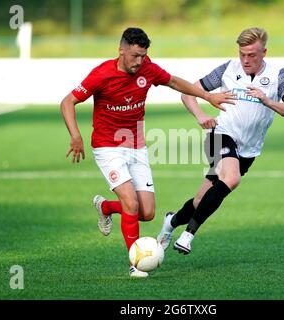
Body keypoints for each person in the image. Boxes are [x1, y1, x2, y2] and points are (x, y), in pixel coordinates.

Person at [60, 27, 235, 277]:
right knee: (131, 204)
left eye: (143, 56)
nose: (139, 61)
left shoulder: (147, 69)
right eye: (134, 56)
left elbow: (174, 81)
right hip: (107, 146)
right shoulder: (102, 74)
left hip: (136, 146)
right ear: (121, 50)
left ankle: (107, 208)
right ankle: (135, 264)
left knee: (147, 212)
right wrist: (75, 135)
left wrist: (208, 96)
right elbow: (68, 101)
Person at [157, 27, 284, 255]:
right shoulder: (228, 69)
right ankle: (188, 235)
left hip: (248, 150)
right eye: (242, 54)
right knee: (231, 178)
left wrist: (267, 101)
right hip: (220, 134)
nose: (245, 60)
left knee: (200, 200)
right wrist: (201, 116)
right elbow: (188, 93)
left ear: (264, 52)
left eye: (252, 55)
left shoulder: (278, 75)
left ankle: (171, 222)